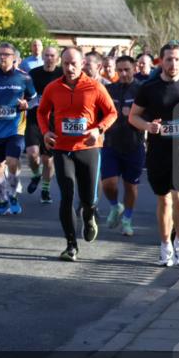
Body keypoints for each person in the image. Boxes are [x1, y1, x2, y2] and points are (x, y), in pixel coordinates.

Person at [129, 43, 179, 267]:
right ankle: (165, 245)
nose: (173, 64)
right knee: (163, 199)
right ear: (161, 61)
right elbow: (134, 117)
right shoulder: (148, 87)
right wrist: (147, 127)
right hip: (158, 150)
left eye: (177, 59)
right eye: (169, 59)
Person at [37, 47, 117, 262]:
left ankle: (89, 214)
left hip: (88, 148)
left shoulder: (95, 87)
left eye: (74, 63)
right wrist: (46, 132)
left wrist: (98, 129)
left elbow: (112, 112)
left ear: (82, 64)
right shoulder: (53, 88)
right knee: (67, 195)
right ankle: (71, 245)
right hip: (63, 149)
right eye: (66, 64)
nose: (70, 68)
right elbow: (42, 112)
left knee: (89, 198)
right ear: (61, 65)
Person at [0, 42, 37, 215]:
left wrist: (26, 104)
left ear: (14, 57)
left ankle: (13, 194)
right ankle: (3, 200)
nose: (2, 57)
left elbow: (35, 99)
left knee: (12, 161)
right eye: (0, 54)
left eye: (6, 54)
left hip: (16, 128)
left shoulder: (24, 78)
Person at [100, 56, 145, 236]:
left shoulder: (142, 90)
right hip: (111, 143)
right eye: (120, 70)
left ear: (134, 68)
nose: (123, 74)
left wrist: (135, 115)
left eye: (127, 69)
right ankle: (115, 206)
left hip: (134, 144)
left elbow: (151, 114)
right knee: (108, 184)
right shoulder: (109, 89)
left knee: (130, 187)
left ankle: (127, 218)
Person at [25, 45, 63, 203]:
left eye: (52, 55)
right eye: (46, 55)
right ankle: (35, 175)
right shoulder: (34, 73)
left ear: (57, 58)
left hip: (54, 120)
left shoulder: (62, 74)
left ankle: (45, 190)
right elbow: (25, 92)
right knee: (33, 154)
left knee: (48, 160)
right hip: (35, 118)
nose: (49, 58)